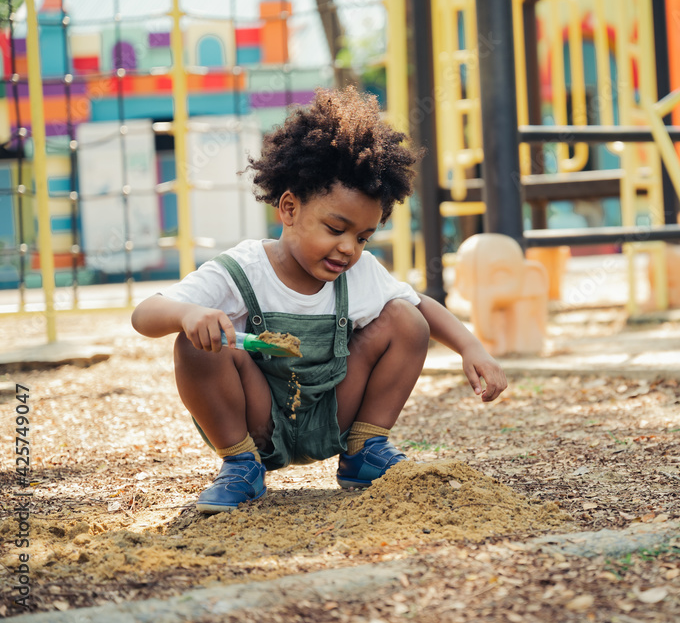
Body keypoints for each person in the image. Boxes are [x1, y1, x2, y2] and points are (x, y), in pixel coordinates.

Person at [131, 87, 507, 514]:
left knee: (406, 319)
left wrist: (470, 347)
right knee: (194, 345)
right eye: (335, 228)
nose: (349, 248)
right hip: (258, 421)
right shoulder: (242, 270)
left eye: (363, 237)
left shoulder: (359, 273)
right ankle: (240, 467)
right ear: (289, 208)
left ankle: (365, 450)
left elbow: (422, 308)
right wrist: (189, 313)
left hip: (332, 414)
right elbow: (145, 315)